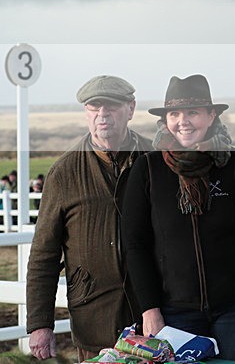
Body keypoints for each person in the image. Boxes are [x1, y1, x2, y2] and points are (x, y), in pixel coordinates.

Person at [122, 74, 235, 363]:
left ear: (211, 115)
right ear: (165, 120)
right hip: (175, 312)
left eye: (193, 112)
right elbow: (135, 245)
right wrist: (150, 309)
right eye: (174, 113)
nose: (183, 121)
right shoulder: (147, 169)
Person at [26, 75, 153, 361]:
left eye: (112, 106)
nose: (102, 114)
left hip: (152, 316)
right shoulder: (64, 172)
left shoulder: (155, 158)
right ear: (86, 112)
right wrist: (40, 324)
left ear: (130, 109)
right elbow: (44, 254)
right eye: (94, 107)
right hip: (93, 317)